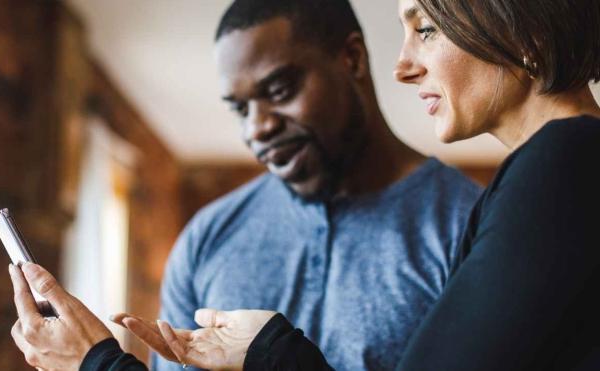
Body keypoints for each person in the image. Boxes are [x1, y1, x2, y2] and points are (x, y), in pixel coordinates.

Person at [6, 0, 486, 370]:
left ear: (352, 58)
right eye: (240, 109)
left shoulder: (472, 226)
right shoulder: (207, 238)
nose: (257, 127)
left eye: (279, 91)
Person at [139, 0, 599, 369]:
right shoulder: (205, 237)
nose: (402, 66)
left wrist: (270, 352)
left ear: (523, 32)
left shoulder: (564, 165)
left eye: (426, 30)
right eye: (240, 109)